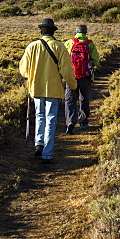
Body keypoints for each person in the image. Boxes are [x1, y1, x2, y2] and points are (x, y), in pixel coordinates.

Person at [19, 17, 77, 164]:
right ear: (53, 32)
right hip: (54, 89)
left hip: (36, 88)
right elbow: (67, 71)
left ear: (41, 31)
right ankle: (47, 153)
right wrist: (73, 84)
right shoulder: (60, 47)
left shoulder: (32, 46)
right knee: (51, 119)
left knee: (39, 115)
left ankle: (38, 144)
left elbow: (23, 71)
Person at [64, 23, 100, 133]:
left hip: (71, 76)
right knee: (84, 98)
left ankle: (70, 121)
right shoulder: (90, 44)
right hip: (86, 76)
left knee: (70, 99)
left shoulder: (70, 43)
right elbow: (95, 60)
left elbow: (63, 58)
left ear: (76, 32)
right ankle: (83, 122)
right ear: (86, 32)